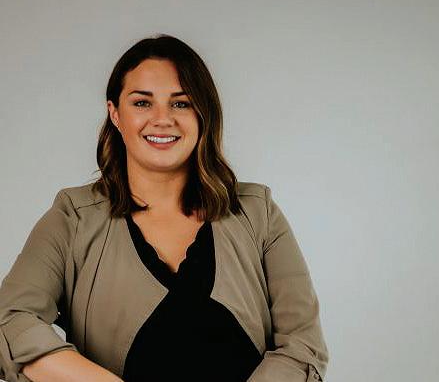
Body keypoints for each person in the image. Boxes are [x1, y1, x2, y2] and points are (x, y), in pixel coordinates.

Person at [0, 34, 328, 382]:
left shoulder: (258, 212)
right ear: (115, 113)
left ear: (203, 114)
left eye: (181, 103)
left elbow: (303, 347)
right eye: (142, 103)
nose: (162, 119)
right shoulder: (73, 217)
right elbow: (9, 321)